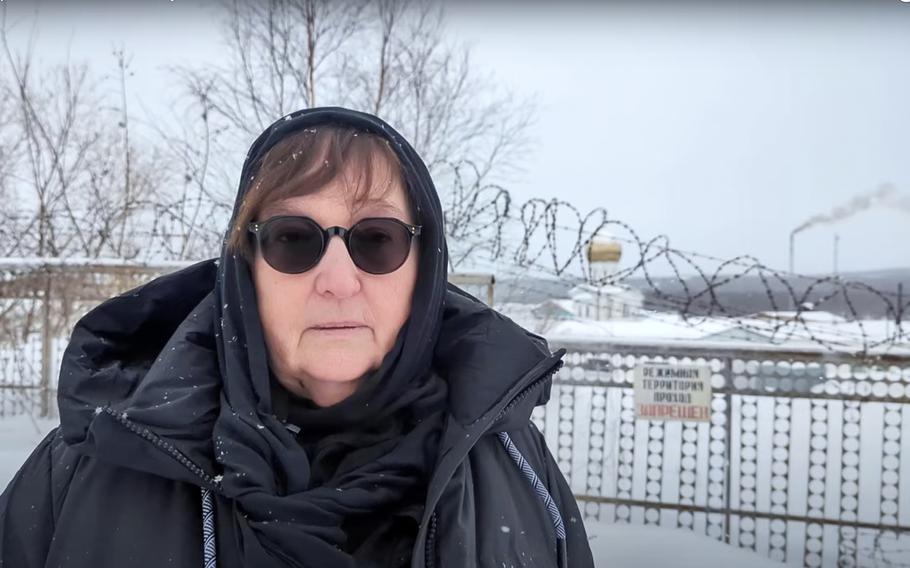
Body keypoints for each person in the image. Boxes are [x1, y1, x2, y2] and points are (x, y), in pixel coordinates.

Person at [0, 107, 594, 568]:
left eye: (377, 238)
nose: (337, 280)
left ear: (424, 271)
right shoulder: (92, 462)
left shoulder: (514, 465)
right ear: (245, 270)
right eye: (292, 238)